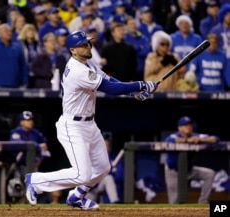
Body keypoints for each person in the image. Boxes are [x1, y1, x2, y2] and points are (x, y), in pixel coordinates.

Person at [24, 30, 157, 210]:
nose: (87, 46)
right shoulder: (77, 70)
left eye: (87, 43)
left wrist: (134, 93)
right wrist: (141, 84)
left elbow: (110, 79)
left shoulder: (88, 63)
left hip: (89, 124)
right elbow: (110, 88)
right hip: (73, 126)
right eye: (82, 45)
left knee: (103, 168)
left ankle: (76, 197)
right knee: (82, 174)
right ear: (72, 50)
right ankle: (35, 181)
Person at [164, 116, 220, 204]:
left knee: (209, 174)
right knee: (174, 201)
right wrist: (188, 140)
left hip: (189, 170)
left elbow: (216, 139)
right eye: (185, 125)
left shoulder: (196, 135)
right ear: (179, 128)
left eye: (190, 124)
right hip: (173, 172)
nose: (188, 127)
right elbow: (168, 140)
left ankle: (202, 202)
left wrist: (201, 140)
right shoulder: (175, 135)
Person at [0, 23, 28, 88]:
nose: (9, 33)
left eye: (10, 31)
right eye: (6, 31)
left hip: (15, 85)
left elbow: (23, 66)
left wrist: (25, 81)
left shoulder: (17, 48)